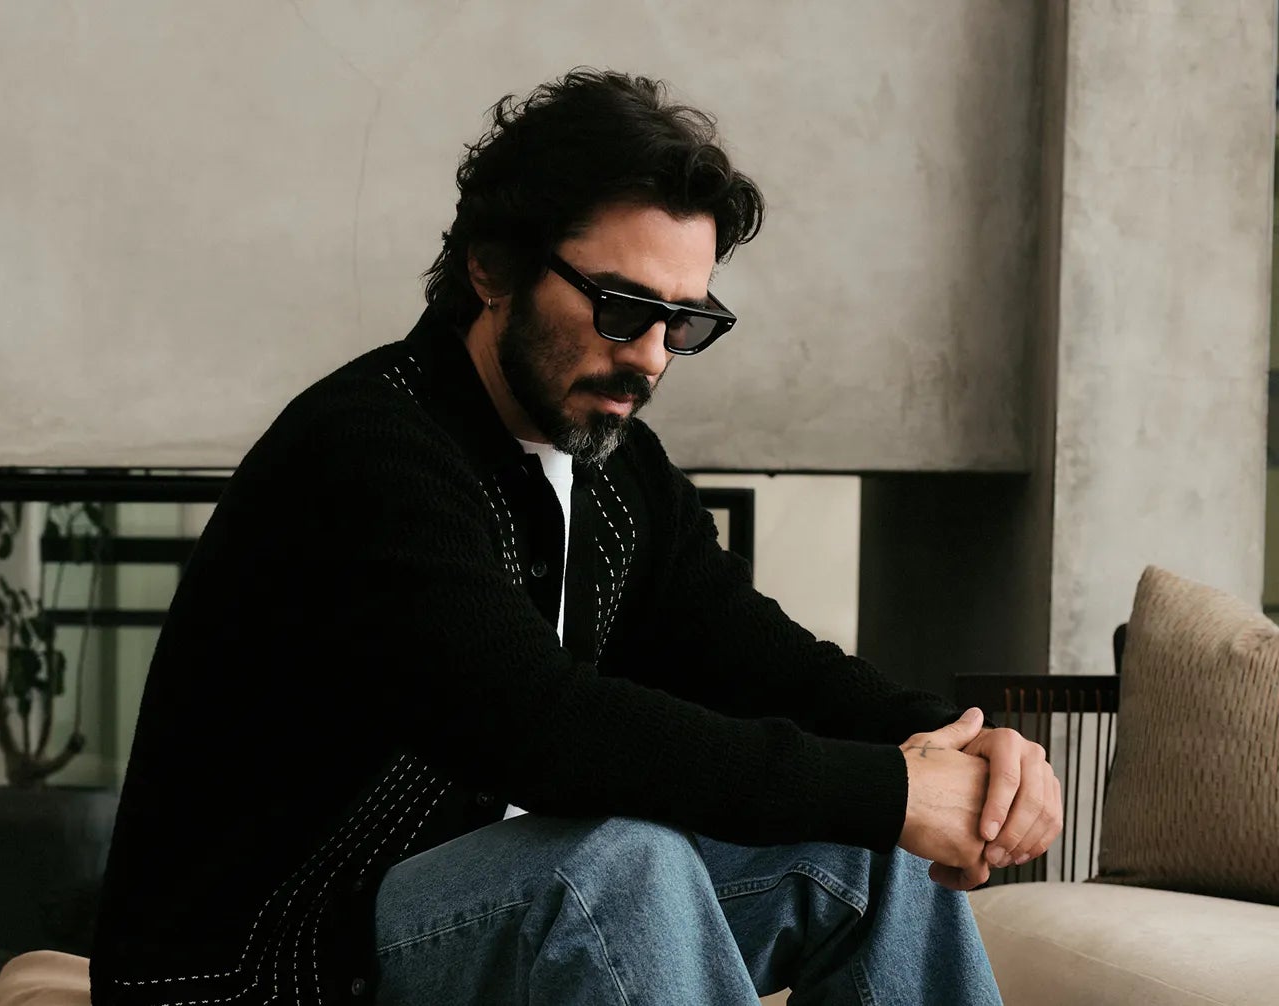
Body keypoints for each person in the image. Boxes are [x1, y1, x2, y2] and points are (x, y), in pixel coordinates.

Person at [90, 69, 1060, 1005]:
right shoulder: (368, 449)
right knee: (613, 862)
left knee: (863, 858)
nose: (645, 357)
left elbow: (764, 660)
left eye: (681, 324)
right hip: (278, 962)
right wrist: (887, 788)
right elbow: (541, 728)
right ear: (493, 266)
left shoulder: (613, 469)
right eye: (621, 306)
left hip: (472, 921)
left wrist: (947, 747)